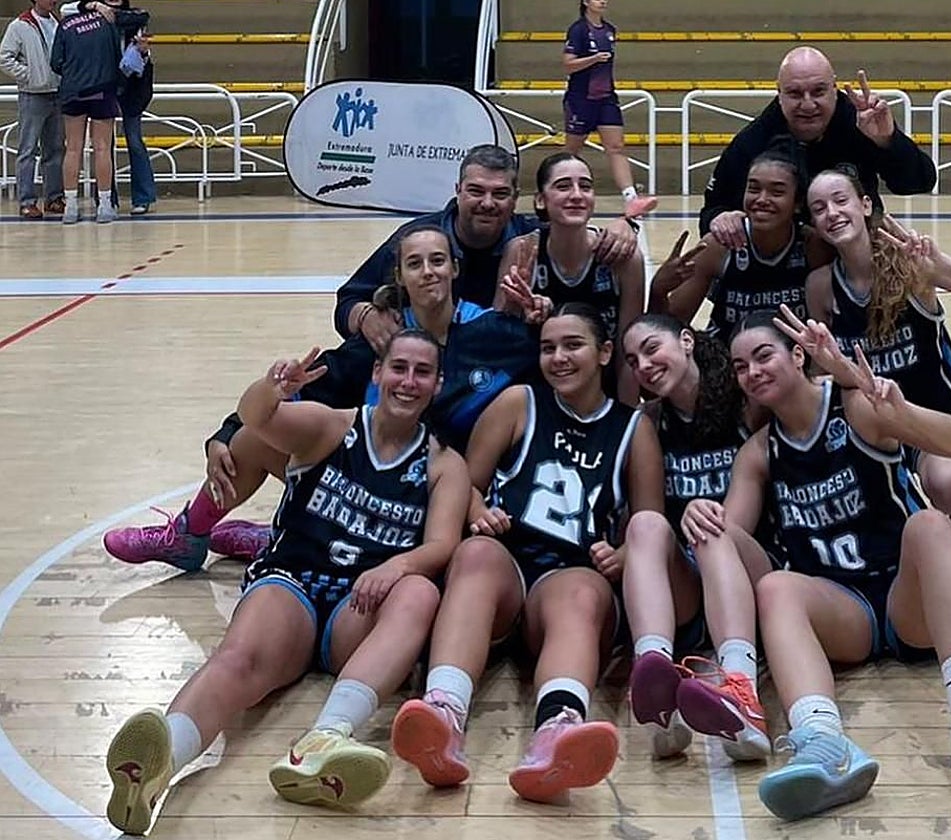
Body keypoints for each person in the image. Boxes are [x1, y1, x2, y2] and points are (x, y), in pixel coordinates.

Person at [103, 331, 471, 835]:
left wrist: (395, 567)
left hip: (358, 609)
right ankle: (160, 758)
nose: (408, 381)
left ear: (438, 383)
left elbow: (442, 545)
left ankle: (325, 740)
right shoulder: (330, 427)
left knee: (420, 590)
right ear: (376, 374)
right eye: (398, 368)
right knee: (237, 661)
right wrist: (273, 387)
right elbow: (255, 420)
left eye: (422, 372)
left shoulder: (443, 463)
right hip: (295, 583)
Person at [687, 312, 951, 821]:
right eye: (739, 367)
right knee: (774, 583)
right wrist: (699, 515)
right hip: (844, 613)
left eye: (763, 356)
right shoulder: (758, 452)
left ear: (799, 355)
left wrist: (902, 414)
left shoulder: (856, 409)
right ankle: (823, 742)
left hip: (910, 600)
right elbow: (730, 538)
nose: (751, 372)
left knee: (931, 525)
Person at [102, 226, 543, 570]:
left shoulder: (495, 333)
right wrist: (225, 431)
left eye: (437, 261)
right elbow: (299, 392)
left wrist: (545, 317)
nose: (428, 271)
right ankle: (188, 536)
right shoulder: (377, 343)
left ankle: (285, 534)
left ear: (455, 269)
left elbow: (560, 371)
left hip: (445, 500)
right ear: (400, 277)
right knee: (251, 441)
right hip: (370, 493)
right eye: (415, 263)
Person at [390, 303, 664, 802]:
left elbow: (649, 529)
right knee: (473, 555)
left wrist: (622, 555)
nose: (558, 357)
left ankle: (557, 731)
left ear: (604, 353)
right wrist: (476, 510)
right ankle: (443, 715)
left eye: (572, 345)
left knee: (582, 594)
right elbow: (463, 483)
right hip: (507, 566)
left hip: (570, 573)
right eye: (547, 347)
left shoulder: (633, 428)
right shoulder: (519, 402)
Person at [804, 166, 951, 567]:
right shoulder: (821, 286)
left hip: (935, 418)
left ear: (865, 204)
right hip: (874, 428)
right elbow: (819, 376)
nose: (832, 213)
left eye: (841, 200)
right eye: (819, 208)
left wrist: (943, 266)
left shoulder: (910, 266)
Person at [619, 312, 774, 761]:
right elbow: (644, 511)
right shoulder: (648, 421)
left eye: (652, 349)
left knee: (709, 523)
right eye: (633, 361)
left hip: (755, 572)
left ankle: (742, 693)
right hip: (692, 585)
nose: (643, 366)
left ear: (686, 341)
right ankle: (656, 684)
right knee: (644, 525)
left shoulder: (748, 403)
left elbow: (737, 524)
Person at [334, 144, 638, 344]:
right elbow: (347, 300)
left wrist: (624, 226)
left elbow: (571, 225)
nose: (487, 203)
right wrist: (364, 316)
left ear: (516, 198)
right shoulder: (416, 241)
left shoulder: (528, 240)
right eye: (476, 191)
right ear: (458, 191)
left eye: (500, 194)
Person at [700, 46, 936, 250]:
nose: (808, 104)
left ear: (835, 89)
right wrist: (721, 218)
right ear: (779, 93)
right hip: (785, 262)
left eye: (818, 91)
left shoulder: (863, 121)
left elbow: (918, 182)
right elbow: (711, 211)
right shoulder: (754, 141)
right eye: (794, 93)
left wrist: (888, 141)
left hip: (860, 250)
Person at [497, 152, 645, 405]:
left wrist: (626, 420)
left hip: (602, 394)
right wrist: (519, 310)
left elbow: (627, 351)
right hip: (535, 392)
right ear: (541, 200)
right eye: (563, 186)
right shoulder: (522, 251)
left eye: (585, 186)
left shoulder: (624, 259)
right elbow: (496, 337)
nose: (576, 195)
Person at [649, 150, 824, 344]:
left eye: (777, 192)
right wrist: (658, 290)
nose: (762, 199)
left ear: (798, 203)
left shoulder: (813, 245)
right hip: (729, 363)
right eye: (754, 189)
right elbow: (668, 332)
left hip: (792, 365)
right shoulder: (719, 246)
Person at [50, 0, 147, 223]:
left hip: (73, 90)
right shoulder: (107, 23)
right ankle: (105, 205)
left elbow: (55, 62)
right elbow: (118, 56)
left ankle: (71, 207)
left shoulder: (65, 25)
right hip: (102, 89)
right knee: (102, 147)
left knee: (73, 149)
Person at [561, 0, 656, 218]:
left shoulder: (610, 30)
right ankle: (554, 189)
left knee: (616, 147)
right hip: (581, 99)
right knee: (572, 151)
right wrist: (593, 59)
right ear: (586, 2)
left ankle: (631, 198)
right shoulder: (578, 30)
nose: (603, 0)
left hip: (606, 98)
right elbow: (567, 64)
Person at [1, 0, 66, 220]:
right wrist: (29, 76)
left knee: (56, 149)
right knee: (27, 149)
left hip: (57, 92)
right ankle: (27, 201)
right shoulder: (20, 25)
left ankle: (54, 197)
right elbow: (4, 57)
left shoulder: (59, 23)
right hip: (32, 95)